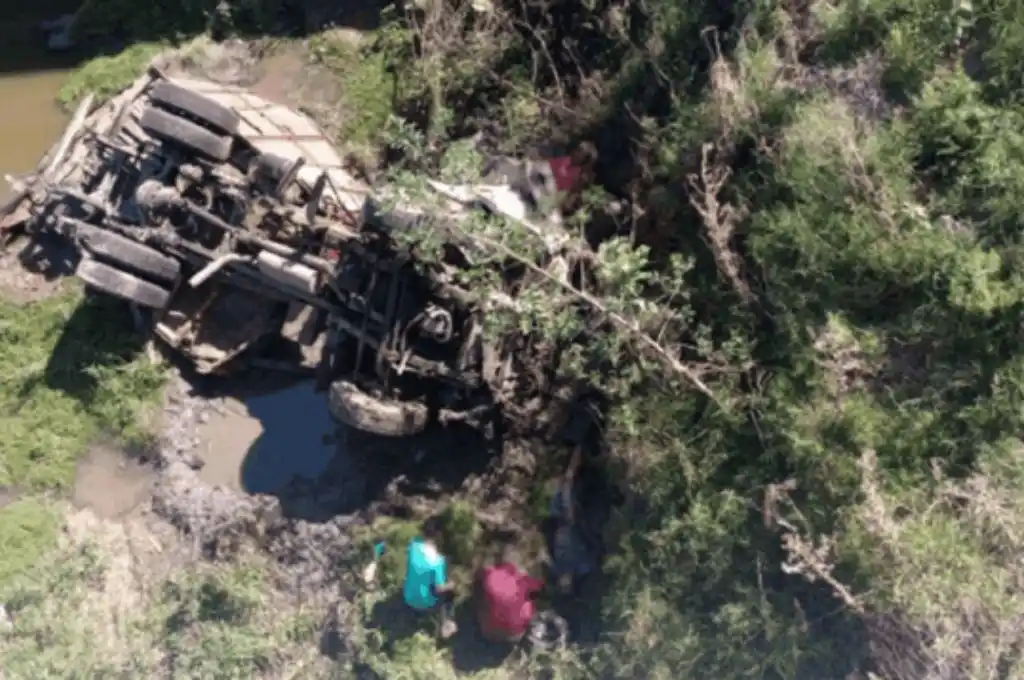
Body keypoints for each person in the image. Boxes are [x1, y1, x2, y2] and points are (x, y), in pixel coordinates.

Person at [476, 546, 544, 644]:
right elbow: (539, 587)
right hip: (515, 634)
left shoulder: (488, 574)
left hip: (488, 633)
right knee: (528, 600)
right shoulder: (521, 579)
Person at [403, 518, 458, 640]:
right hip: (423, 603)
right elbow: (439, 588)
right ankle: (446, 623)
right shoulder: (438, 561)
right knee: (449, 592)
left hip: (408, 597)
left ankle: (415, 611)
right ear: (438, 535)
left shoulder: (413, 546)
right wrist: (452, 585)